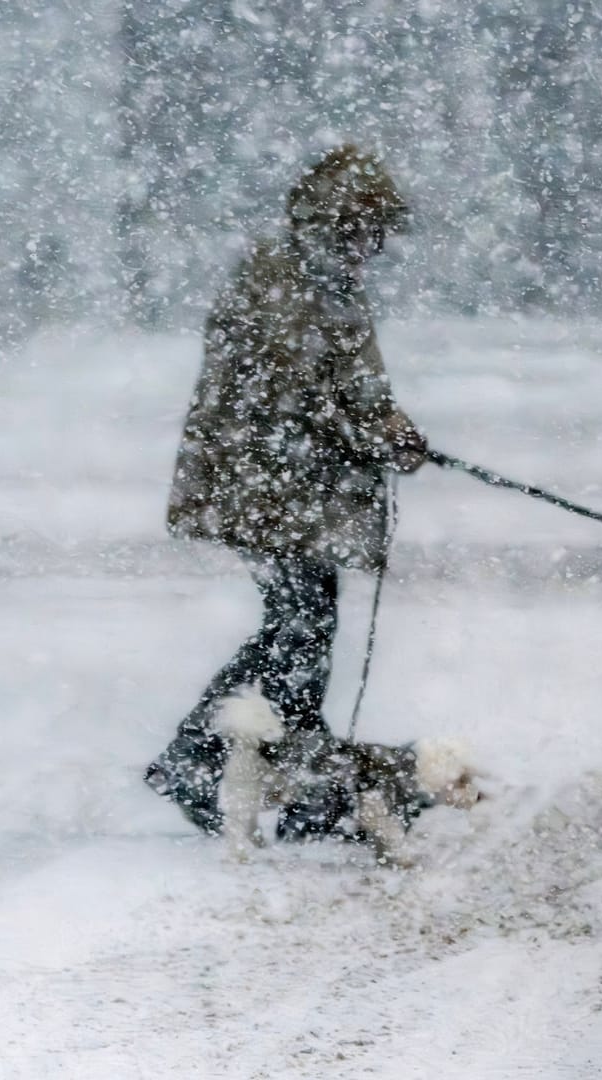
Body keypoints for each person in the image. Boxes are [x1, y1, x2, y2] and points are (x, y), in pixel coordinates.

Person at [145, 145, 427, 835]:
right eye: (364, 229)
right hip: (267, 486)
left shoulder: (325, 283)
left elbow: (344, 386)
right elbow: (297, 390)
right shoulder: (283, 280)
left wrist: (387, 425)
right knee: (299, 626)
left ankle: (275, 757)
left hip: (292, 488)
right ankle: (215, 752)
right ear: (331, 223)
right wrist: (373, 434)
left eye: (379, 231)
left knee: (300, 625)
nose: (374, 244)